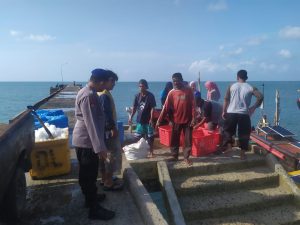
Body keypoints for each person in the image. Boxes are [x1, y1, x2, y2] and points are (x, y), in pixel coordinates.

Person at [72, 69, 115, 220]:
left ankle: (91, 199)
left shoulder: (89, 92)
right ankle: (94, 209)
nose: (104, 88)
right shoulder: (88, 95)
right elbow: (91, 123)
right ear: (101, 82)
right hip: (87, 141)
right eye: (104, 84)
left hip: (88, 140)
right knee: (88, 176)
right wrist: (100, 148)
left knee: (88, 174)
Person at [220, 70, 263, 160]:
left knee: (228, 131)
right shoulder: (251, 87)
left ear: (237, 77)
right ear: (246, 78)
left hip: (231, 112)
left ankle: (229, 147)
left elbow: (226, 99)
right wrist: (253, 107)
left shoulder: (231, 86)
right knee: (244, 134)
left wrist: (224, 111)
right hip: (244, 114)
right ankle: (242, 154)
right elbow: (260, 96)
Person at [156, 73, 195, 166]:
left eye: (177, 80)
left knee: (187, 140)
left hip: (188, 120)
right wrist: (159, 120)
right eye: (174, 81)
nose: (176, 82)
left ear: (182, 80)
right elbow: (165, 107)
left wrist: (194, 118)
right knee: (174, 139)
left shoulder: (189, 90)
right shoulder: (171, 92)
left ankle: (186, 157)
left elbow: (194, 105)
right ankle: (174, 156)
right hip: (176, 120)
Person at [98, 70, 123, 191]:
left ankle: (104, 179)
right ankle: (108, 182)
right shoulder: (104, 95)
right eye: (112, 81)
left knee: (103, 156)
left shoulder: (101, 93)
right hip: (108, 132)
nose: (114, 84)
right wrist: (113, 128)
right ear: (107, 80)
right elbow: (106, 113)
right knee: (110, 156)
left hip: (102, 131)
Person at [128, 79, 156, 158]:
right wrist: (131, 117)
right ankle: (140, 151)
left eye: (143, 86)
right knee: (137, 137)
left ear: (146, 87)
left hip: (148, 121)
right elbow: (134, 107)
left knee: (150, 137)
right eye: (140, 86)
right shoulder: (137, 96)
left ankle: (151, 151)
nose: (141, 88)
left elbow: (152, 108)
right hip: (140, 120)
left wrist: (151, 118)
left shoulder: (150, 96)